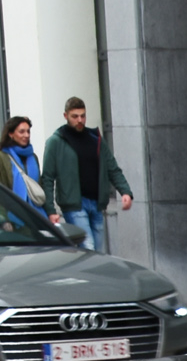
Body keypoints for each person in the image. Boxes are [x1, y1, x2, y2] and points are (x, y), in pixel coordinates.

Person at [42, 97, 130, 252]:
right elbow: (48, 178)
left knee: (98, 252)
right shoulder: (56, 142)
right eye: (75, 116)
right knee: (88, 248)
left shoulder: (95, 139)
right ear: (65, 116)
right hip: (74, 205)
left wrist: (125, 191)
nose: (80, 120)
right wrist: (50, 210)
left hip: (96, 203)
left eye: (83, 116)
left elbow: (112, 167)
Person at [0, 117, 61, 226]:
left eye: (28, 131)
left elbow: (39, 188)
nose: (27, 135)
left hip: (38, 218)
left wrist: (50, 212)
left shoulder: (33, 157)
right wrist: (3, 220)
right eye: (22, 132)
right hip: (12, 221)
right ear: (10, 134)